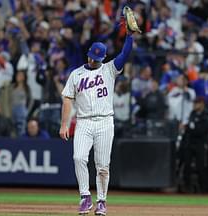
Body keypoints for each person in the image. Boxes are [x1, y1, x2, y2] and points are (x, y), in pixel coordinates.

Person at [59, 20, 134, 215]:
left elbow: (125, 54)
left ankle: (102, 201)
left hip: (104, 121)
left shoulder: (109, 69)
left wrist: (130, 36)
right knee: (78, 157)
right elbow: (67, 99)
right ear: (88, 54)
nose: (94, 61)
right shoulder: (76, 74)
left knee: (102, 166)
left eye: (97, 58)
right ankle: (85, 197)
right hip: (83, 121)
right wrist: (64, 124)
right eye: (92, 57)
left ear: (103, 57)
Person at [179, 97, 208, 193]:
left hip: (200, 144)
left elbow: (201, 131)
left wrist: (189, 128)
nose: (194, 105)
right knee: (187, 166)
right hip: (189, 144)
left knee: (200, 167)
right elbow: (190, 128)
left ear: (202, 104)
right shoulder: (192, 114)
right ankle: (187, 187)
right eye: (194, 103)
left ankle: (203, 189)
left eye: (197, 103)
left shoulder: (206, 116)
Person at [0, 70, 31, 136]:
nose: (18, 77)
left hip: (21, 109)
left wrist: (27, 110)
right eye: (17, 75)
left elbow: (30, 100)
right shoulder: (11, 87)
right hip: (12, 108)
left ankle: (21, 141)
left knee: (21, 128)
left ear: (24, 77)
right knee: (12, 127)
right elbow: (6, 97)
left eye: (20, 75)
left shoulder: (27, 88)